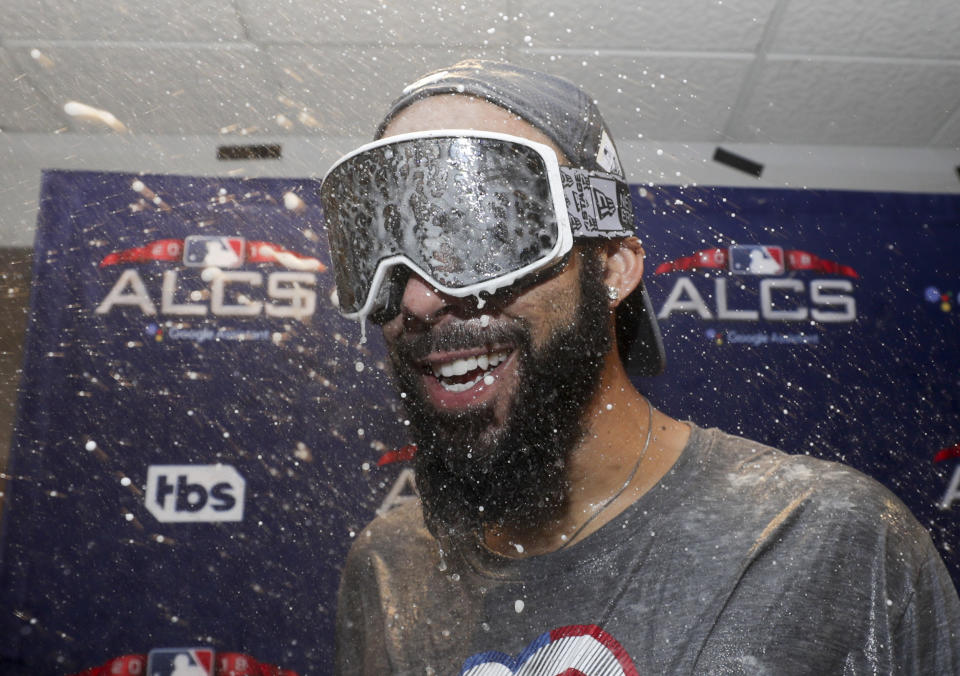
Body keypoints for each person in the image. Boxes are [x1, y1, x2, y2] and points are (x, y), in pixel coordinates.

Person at [320, 59, 960, 675]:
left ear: (612, 269)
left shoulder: (827, 541)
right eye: (385, 251)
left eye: (486, 235)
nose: (419, 299)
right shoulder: (387, 571)